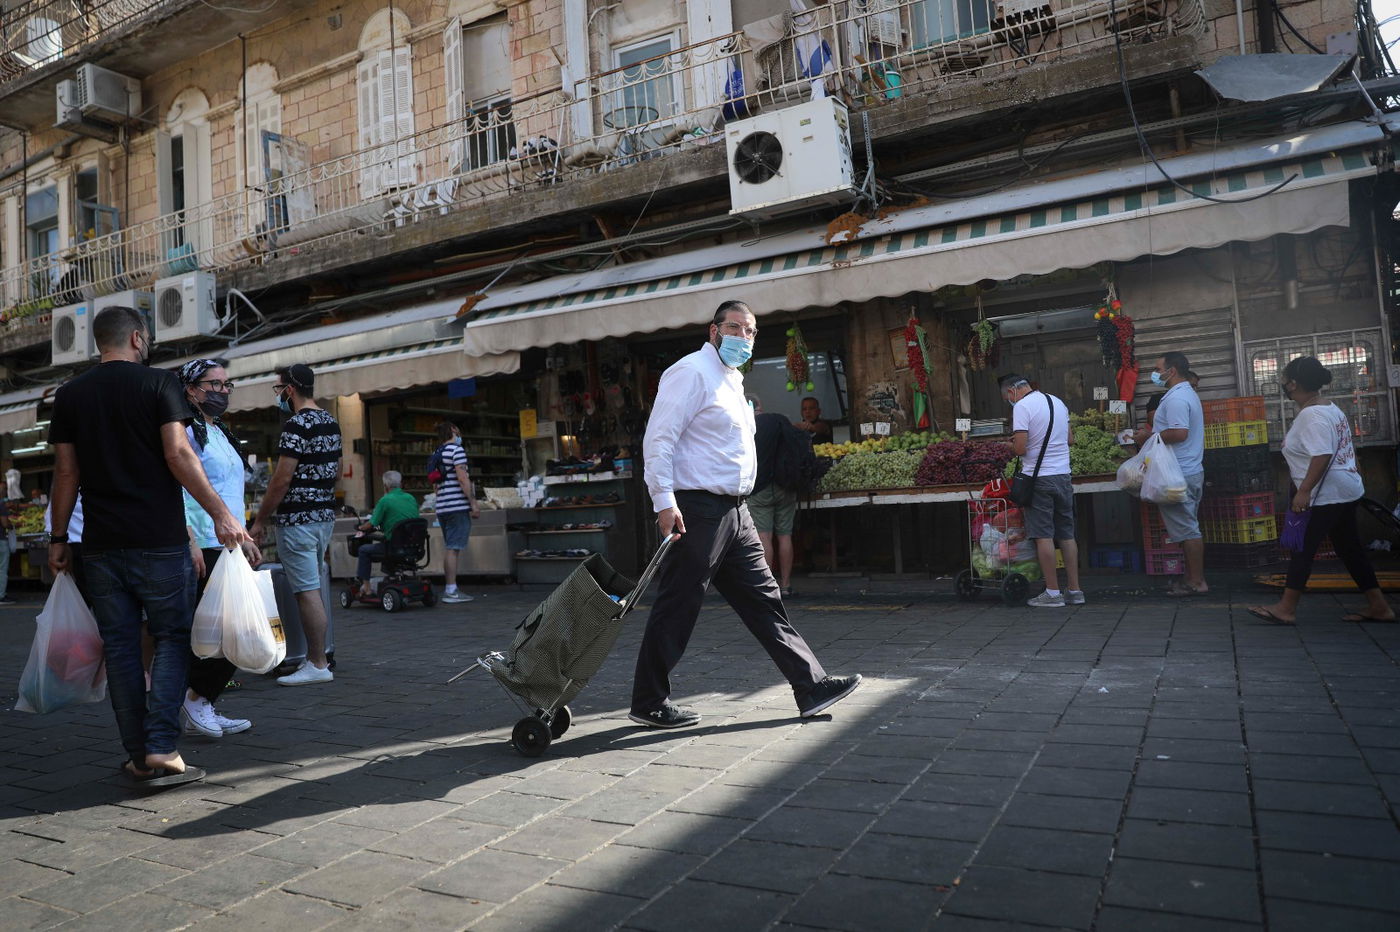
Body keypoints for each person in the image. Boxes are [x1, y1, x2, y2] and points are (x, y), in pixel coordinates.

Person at [630, 300, 861, 728]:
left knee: (764, 599)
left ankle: (810, 686)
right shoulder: (690, 373)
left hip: (737, 511)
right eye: (734, 328)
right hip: (696, 508)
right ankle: (649, 700)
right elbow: (659, 439)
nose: (742, 337)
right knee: (679, 603)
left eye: (750, 331)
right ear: (713, 330)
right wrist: (663, 500)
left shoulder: (732, 381)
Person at [47, 305, 251, 787]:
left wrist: (58, 539)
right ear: (138, 339)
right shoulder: (160, 385)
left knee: (120, 649)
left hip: (99, 544)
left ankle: (138, 755)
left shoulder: (70, 395)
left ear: (99, 341)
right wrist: (222, 514)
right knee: (173, 639)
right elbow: (178, 453)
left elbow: (66, 473)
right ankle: (162, 746)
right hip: (159, 542)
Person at [1248, 356, 1394, 625]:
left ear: (1293, 384)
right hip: (1344, 490)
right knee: (1350, 549)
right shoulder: (1330, 408)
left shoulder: (1311, 415)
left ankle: (1286, 608)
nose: (1281, 384)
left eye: (1283, 379)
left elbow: (1322, 455)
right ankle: (1379, 606)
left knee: (1303, 548)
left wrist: (1304, 491)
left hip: (1326, 494)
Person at [177, 359, 256, 739]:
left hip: (230, 543)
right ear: (191, 390)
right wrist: (189, 538)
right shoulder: (185, 433)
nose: (223, 391)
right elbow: (178, 489)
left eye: (227, 384)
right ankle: (195, 701)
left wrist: (245, 535)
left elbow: (230, 494)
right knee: (215, 631)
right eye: (214, 384)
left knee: (233, 629)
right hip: (204, 543)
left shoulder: (219, 431)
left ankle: (202, 701)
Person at [250, 363, 341, 686]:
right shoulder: (330, 422)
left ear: (290, 389)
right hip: (322, 517)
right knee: (312, 585)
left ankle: (317, 662)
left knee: (306, 591)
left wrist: (260, 519)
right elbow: (336, 471)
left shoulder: (296, 425)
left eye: (279, 389)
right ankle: (317, 657)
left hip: (297, 519)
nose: (278, 396)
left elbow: (281, 478)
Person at [1001, 374, 1083, 607]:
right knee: (1066, 533)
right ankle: (1075, 591)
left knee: (1043, 535)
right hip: (1063, 476)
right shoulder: (1057, 402)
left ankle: (1053, 593)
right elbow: (1069, 439)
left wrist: (1009, 444)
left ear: (1012, 392)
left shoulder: (1022, 407)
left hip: (1039, 480)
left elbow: (1020, 448)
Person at [1132, 351, 1207, 596]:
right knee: (1187, 527)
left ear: (1171, 371)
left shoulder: (1177, 399)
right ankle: (1190, 579)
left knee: (1188, 529)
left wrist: (1148, 436)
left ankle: (1196, 582)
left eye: (1158, 369)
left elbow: (1179, 433)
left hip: (1178, 474)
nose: (1155, 374)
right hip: (1186, 470)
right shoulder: (1185, 394)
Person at [748, 395, 800, 597]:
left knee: (764, 538)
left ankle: (768, 588)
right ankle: (786, 585)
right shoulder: (779, 421)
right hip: (785, 486)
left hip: (760, 489)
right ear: (761, 406)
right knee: (785, 536)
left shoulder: (747, 425)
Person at [431, 421, 479, 604]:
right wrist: (473, 502)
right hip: (457, 506)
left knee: (450, 547)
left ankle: (451, 588)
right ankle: (451, 590)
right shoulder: (456, 451)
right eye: (458, 431)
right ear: (452, 431)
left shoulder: (436, 453)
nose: (460, 434)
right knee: (453, 549)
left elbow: (435, 485)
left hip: (442, 506)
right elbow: (462, 478)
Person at [354, 470, 419, 597]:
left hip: (394, 548)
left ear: (385, 486)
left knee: (363, 550)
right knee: (386, 541)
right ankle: (392, 575)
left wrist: (360, 527)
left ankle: (366, 587)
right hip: (413, 546)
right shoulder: (411, 498)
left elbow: (371, 524)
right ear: (401, 484)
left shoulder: (385, 501)